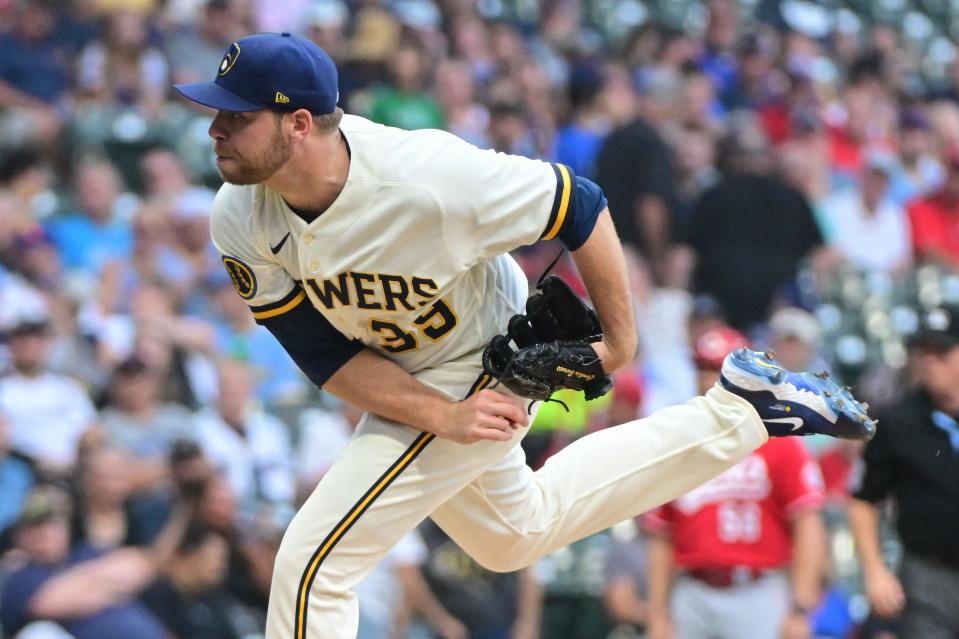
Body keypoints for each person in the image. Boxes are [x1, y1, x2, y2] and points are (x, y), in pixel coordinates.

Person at [173, 33, 874, 638]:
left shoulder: (429, 179)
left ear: (297, 124)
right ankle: (742, 409)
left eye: (234, 116)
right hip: (403, 370)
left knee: (311, 564)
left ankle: (739, 409)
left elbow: (579, 203)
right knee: (514, 534)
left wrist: (619, 345)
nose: (215, 130)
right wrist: (437, 415)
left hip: (479, 350)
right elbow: (323, 355)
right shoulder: (239, 215)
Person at [644, 327, 828, 639]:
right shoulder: (678, 445)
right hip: (693, 591)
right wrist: (658, 615)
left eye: (718, 370)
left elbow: (808, 526)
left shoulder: (778, 440)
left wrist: (800, 606)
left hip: (757, 591)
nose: (708, 379)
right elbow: (661, 536)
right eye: (702, 368)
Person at [849, 304, 959, 638]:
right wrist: (875, 571)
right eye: (922, 350)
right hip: (929, 573)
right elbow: (863, 499)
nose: (929, 360)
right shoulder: (898, 421)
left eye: (941, 350)